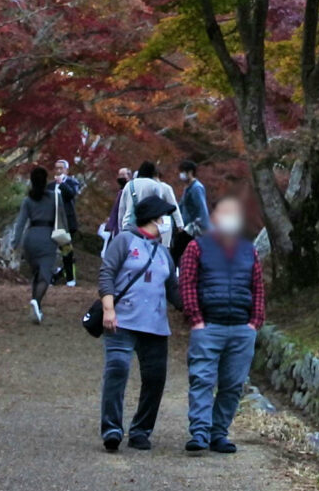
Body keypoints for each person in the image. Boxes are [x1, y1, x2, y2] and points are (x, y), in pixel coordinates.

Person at [178, 198, 266, 455]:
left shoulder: (249, 250)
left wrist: (254, 322)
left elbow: (258, 288)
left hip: (241, 329)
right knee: (202, 380)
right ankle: (200, 432)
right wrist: (196, 319)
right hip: (209, 327)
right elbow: (187, 283)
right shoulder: (197, 247)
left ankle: (219, 433)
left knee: (232, 384)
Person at [98, 195, 177, 452]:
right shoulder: (124, 240)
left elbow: (173, 289)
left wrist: (198, 308)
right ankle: (111, 428)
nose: (166, 222)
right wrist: (108, 308)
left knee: (155, 379)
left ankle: (141, 430)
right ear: (154, 218)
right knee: (117, 370)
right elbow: (107, 273)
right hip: (122, 320)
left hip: (155, 325)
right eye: (163, 217)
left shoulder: (165, 252)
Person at [10, 166, 72, 324]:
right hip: (48, 238)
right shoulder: (54, 197)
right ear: (45, 181)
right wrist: (66, 242)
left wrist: (15, 242)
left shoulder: (28, 200)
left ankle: (36, 307)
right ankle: (36, 302)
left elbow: (20, 223)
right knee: (45, 276)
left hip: (30, 238)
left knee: (36, 274)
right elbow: (63, 219)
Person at [113, 160, 175, 237]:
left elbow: (121, 208)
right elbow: (158, 208)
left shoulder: (129, 184)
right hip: (145, 227)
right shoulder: (155, 186)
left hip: (128, 224)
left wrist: (120, 227)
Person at [53, 159, 85, 287]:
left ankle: (70, 278)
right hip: (52, 221)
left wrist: (62, 184)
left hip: (66, 222)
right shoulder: (50, 185)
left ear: (66, 170)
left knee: (66, 251)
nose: (59, 171)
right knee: (51, 251)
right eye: (56, 168)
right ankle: (52, 276)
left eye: (61, 168)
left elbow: (71, 194)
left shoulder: (72, 182)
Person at [174, 157, 211, 249]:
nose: (181, 175)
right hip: (186, 228)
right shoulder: (188, 188)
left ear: (190, 172)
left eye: (183, 172)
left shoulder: (196, 188)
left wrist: (204, 229)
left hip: (192, 230)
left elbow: (202, 209)